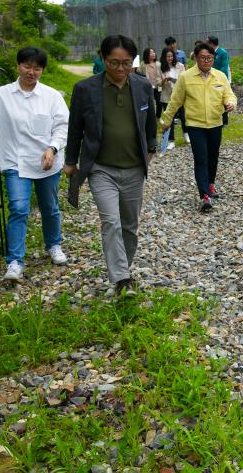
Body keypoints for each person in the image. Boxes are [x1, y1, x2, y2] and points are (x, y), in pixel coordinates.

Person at [64, 35, 157, 297]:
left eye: (126, 63)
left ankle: (122, 270)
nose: (120, 69)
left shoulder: (142, 87)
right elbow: (75, 129)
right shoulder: (85, 89)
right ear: (103, 59)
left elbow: (149, 121)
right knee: (111, 222)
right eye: (114, 63)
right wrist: (71, 161)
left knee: (129, 225)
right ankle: (122, 279)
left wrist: (150, 147)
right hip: (100, 169)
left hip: (134, 168)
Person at [0, 47, 69, 282]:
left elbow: (63, 126)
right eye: (27, 66)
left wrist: (52, 147)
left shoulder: (52, 96)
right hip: (15, 161)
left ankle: (53, 245)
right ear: (18, 66)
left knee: (50, 206)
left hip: (47, 162)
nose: (31, 72)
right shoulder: (2, 94)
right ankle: (14, 262)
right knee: (18, 208)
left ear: (42, 70)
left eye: (37, 68)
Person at [160, 42, 237, 212]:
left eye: (209, 58)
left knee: (213, 156)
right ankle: (204, 195)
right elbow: (175, 101)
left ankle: (210, 184)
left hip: (215, 123)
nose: (206, 61)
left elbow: (229, 94)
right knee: (201, 158)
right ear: (195, 58)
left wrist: (230, 103)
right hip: (195, 125)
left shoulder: (220, 76)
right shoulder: (186, 77)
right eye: (202, 58)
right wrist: (166, 120)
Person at [158, 47, 186, 151]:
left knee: (183, 116)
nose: (169, 58)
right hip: (166, 96)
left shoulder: (180, 66)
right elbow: (158, 83)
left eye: (171, 56)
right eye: (167, 56)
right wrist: (163, 81)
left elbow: (183, 80)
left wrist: (173, 79)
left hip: (179, 95)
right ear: (164, 57)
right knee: (169, 118)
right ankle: (170, 141)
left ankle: (186, 133)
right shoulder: (161, 67)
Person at [141, 47, 161, 124]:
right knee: (150, 103)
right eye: (151, 52)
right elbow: (140, 74)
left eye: (154, 52)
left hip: (157, 87)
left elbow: (161, 74)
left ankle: (158, 117)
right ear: (147, 55)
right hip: (148, 87)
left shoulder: (158, 64)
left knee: (159, 103)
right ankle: (150, 118)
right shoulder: (143, 64)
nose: (153, 54)